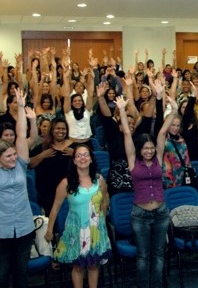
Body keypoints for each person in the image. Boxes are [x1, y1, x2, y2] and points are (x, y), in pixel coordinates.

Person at [116, 93, 174, 288]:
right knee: (143, 255)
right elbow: (126, 133)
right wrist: (123, 110)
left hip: (160, 213)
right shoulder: (133, 161)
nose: (149, 151)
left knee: (158, 254)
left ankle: (156, 285)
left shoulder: (158, 157)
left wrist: (173, 110)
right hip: (140, 214)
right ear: (140, 149)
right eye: (145, 148)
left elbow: (162, 133)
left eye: (151, 148)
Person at [45, 145, 111, 288]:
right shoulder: (66, 183)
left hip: (95, 230)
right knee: (78, 267)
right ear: (74, 160)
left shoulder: (99, 180)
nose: (83, 158)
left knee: (93, 265)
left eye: (86, 155)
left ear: (91, 159)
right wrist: (49, 231)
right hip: (76, 231)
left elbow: (105, 199)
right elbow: (55, 208)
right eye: (79, 155)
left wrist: (102, 221)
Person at [0, 89, 35, 288]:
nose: (14, 158)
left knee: (22, 275)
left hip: (23, 227)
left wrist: (21, 108)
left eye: (14, 154)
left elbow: (21, 135)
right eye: (8, 157)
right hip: (2, 230)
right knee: (2, 275)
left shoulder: (20, 164)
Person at [29, 118, 74, 216]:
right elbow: (29, 164)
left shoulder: (74, 147)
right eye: (57, 128)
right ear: (52, 130)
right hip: (47, 194)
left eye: (63, 129)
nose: (61, 131)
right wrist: (42, 155)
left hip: (69, 192)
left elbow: (89, 162)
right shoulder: (43, 147)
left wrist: (75, 154)